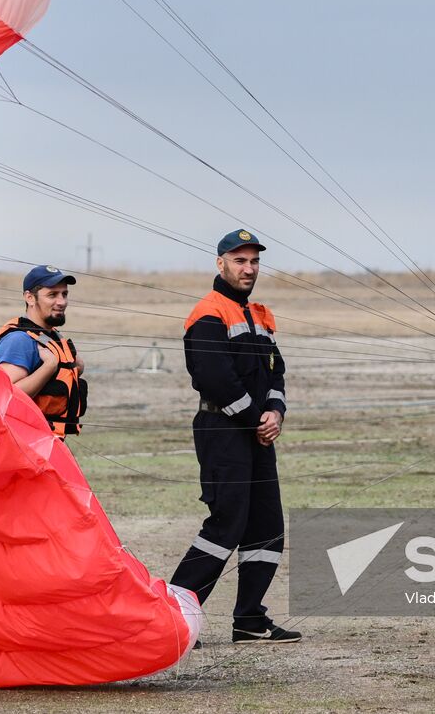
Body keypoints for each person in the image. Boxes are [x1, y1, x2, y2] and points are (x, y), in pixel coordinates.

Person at [170, 229, 301, 644]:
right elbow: (213, 378)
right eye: (240, 260)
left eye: (254, 261)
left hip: (258, 435)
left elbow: (276, 371)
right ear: (220, 263)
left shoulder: (260, 315)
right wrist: (255, 419)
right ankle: (171, 615)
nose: (248, 269)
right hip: (223, 432)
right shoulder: (207, 314)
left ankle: (249, 619)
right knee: (227, 524)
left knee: (267, 526)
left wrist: (276, 412)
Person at [0, 265, 87, 437]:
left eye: (64, 294)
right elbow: (8, 396)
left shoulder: (52, 336)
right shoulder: (19, 340)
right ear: (30, 298)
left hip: (47, 442)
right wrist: (48, 367)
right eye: (52, 295)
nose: (62, 302)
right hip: (23, 445)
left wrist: (76, 367)